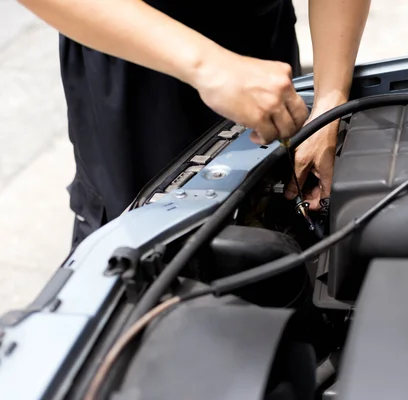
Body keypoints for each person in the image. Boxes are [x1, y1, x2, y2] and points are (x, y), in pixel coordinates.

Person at [19, 0, 371, 248]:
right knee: (148, 244)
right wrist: (208, 66)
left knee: (268, 216)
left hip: (264, 48)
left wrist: (330, 101)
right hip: (141, 59)